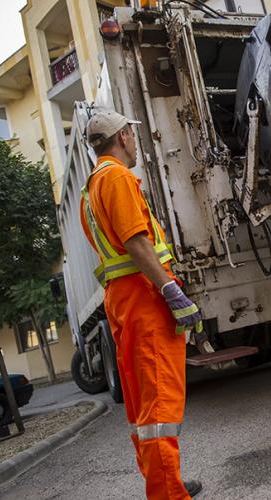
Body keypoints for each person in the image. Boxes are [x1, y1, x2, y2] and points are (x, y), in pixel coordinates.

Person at [79, 109, 203, 499]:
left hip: (125, 300)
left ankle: (165, 483)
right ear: (122, 137)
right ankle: (168, 494)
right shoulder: (116, 177)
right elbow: (136, 242)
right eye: (131, 134)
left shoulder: (91, 187)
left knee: (144, 408)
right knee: (159, 404)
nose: (135, 140)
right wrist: (170, 289)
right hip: (143, 299)